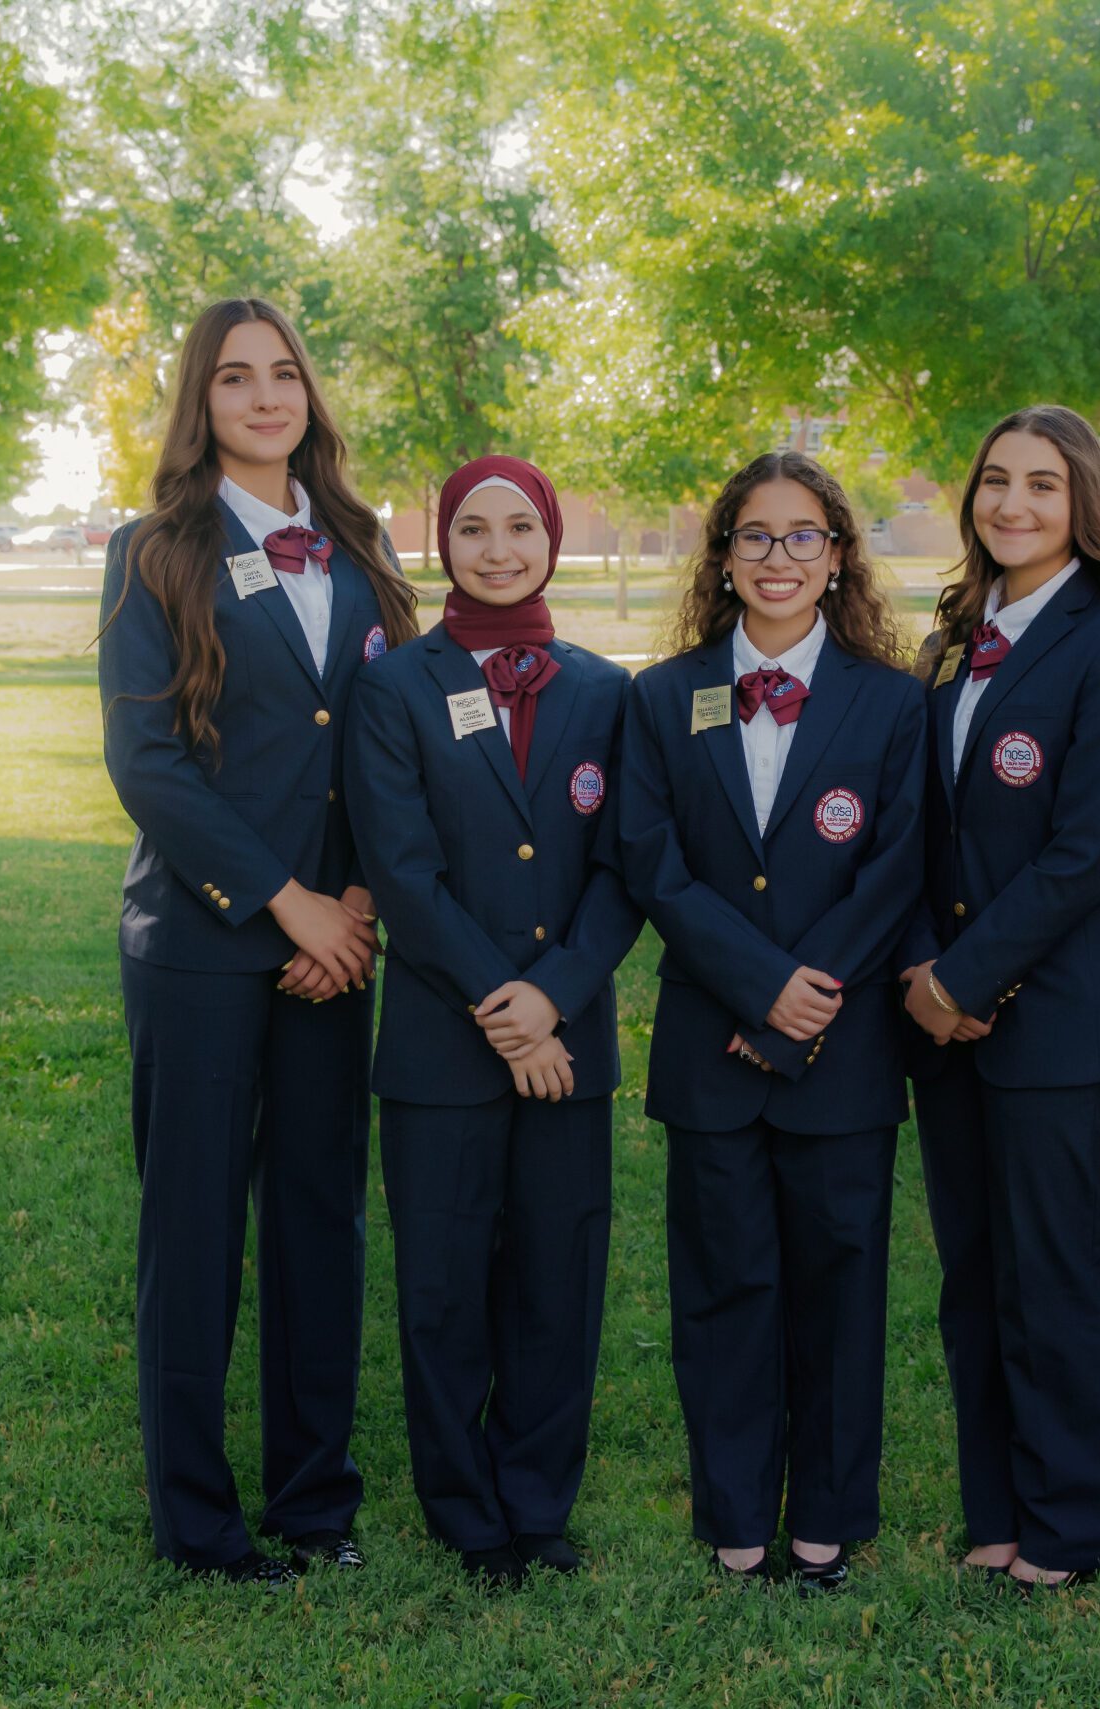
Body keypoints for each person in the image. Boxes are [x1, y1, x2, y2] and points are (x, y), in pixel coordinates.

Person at [95, 296, 421, 1585]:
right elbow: (151, 764)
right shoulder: (152, 549)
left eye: (283, 373)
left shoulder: (360, 540)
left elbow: (384, 741)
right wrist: (285, 899)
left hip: (336, 944)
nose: (264, 397)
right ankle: (197, 1518)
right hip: (204, 941)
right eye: (235, 379)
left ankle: (315, 1500)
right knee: (193, 1229)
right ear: (202, 402)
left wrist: (362, 906)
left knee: (318, 1217)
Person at [615, 452, 925, 1591]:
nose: (779, 557)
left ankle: (826, 1518)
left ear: (838, 557)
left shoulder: (893, 700)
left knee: (840, 1285)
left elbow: (894, 869)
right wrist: (756, 987)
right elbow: (649, 861)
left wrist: (805, 999)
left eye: (804, 537)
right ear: (724, 557)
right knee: (723, 1282)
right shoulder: (662, 696)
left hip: (838, 1049)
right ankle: (737, 1511)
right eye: (754, 536)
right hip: (713, 1047)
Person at [347, 455, 641, 1587]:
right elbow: (404, 872)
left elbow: (625, 869)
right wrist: (505, 1009)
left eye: (522, 525)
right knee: (444, 1280)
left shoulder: (605, 690)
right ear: (442, 543)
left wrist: (555, 995)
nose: (500, 546)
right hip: (440, 1044)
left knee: (555, 1280)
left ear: (554, 539)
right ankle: (464, 1506)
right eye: (474, 527)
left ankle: (537, 1499)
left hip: (571, 1042)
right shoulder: (396, 686)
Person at [900, 405, 1100, 1589]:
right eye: (994, 482)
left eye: (1042, 487)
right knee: (972, 1267)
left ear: (1084, 506)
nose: (1012, 505)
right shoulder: (954, 640)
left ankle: (1069, 1524)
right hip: (939, 1014)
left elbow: (1087, 849)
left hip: (1055, 1013)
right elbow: (913, 826)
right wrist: (923, 971)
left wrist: (965, 975)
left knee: (1052, 1269)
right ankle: (997, 1509)